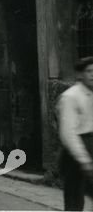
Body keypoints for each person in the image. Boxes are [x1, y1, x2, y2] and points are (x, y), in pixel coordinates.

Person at [58, 56, 93, 211]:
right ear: (80, 74)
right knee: (74, 200)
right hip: (75, 151)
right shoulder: (70, 97)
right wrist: (83, 159)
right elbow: (68, 133)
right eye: (89, 71)